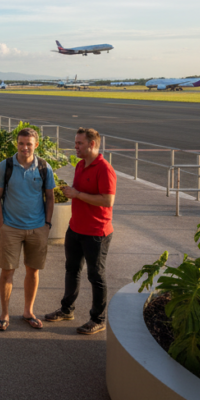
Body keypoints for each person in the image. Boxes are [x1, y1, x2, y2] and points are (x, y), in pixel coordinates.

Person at [45, 128, 117, 335]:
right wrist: (70, 192)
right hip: (75, 228)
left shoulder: (104, 169)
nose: (75, 147)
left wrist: (77, 194)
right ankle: (67, 309)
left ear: (92, 144)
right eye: (75, 143)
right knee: (72, 270)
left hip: (96, 232)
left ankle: (98, 319)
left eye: (79, 144)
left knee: (96, 275)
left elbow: (107, 200)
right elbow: (81, 194)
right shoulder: (80, 165)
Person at [0, 128, 55, 331]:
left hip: (37, 228)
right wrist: (2, 224)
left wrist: (47, 225)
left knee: (33, 271)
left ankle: (28, 311)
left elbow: (50, 197)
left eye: (29, 143)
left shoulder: (44, 167)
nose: (25, 147)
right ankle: (4, 314)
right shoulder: (5, 166)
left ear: (36, 145)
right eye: (21, 143)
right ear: (16, 144)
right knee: (7, 271)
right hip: (11, 227)